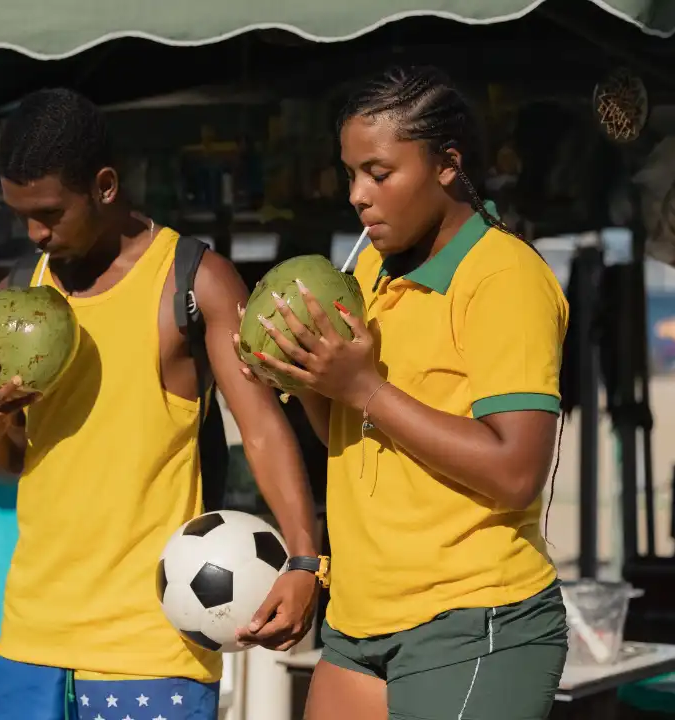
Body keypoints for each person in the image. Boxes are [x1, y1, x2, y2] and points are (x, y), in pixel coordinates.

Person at [0, 88, 323, 720]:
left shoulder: (192, 281)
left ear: (105, 186)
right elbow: (4, 464)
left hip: (150, 646)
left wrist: (302, 559)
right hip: (30, 636)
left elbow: (262, 430)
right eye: (21, 214)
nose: (34, 232)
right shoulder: (20, 291)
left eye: (49, 212)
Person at [235, 66, 569, 719]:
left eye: (379, 174)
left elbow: (517, 470)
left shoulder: (504, 277)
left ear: (448, 164)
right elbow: (350, 429)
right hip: (359, 623)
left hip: (475, 620)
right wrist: (302, 375)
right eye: (350, 174)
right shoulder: (367, 270)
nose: (358, 195)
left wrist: (362, 386)